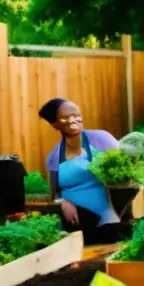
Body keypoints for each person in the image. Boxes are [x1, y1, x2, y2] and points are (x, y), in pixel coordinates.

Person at [39, 98, 126, 244]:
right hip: (75, 227)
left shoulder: (101, 139)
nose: (73, 120)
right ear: (55, 125)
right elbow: (55, 194)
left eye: (76, 114)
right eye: (65, 117)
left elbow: (125, 174)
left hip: (108, 222)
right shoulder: (54, 157)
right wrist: (62, 203)